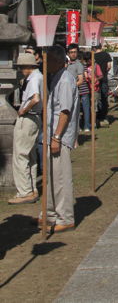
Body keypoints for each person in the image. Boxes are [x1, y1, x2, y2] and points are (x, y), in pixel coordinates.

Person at [37, 45, 79, 232]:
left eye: (50, 60)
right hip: (50, 133)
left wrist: (56, 137)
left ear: (60, 61)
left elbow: (65, 111)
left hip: (59, 135)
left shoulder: (65, 80)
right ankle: (50, 212)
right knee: (50, 177)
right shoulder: (55, 78)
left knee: (60, 177)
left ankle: (65, 216)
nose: (47, 64)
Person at [8, 53, 43, 205]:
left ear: (28, 66)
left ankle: (25, 191)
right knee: (30, 155)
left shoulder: (34, 78)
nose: (21, 70)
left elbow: (36, 98)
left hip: (28, 117)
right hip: (35, 118)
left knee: (20, 155)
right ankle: (31, 188)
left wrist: (23, 110)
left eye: (22, 67)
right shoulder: (39, 76)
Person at [94, 44, 112, 125]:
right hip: (104, 78)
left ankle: (96, 116)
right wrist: (104, 71)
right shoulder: (106, 54)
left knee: (96, 98)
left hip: (95, 79)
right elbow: (109, 66)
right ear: (101, 47)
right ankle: (103, 117)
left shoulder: (93, 56)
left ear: (94, 48)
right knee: (104, 98)